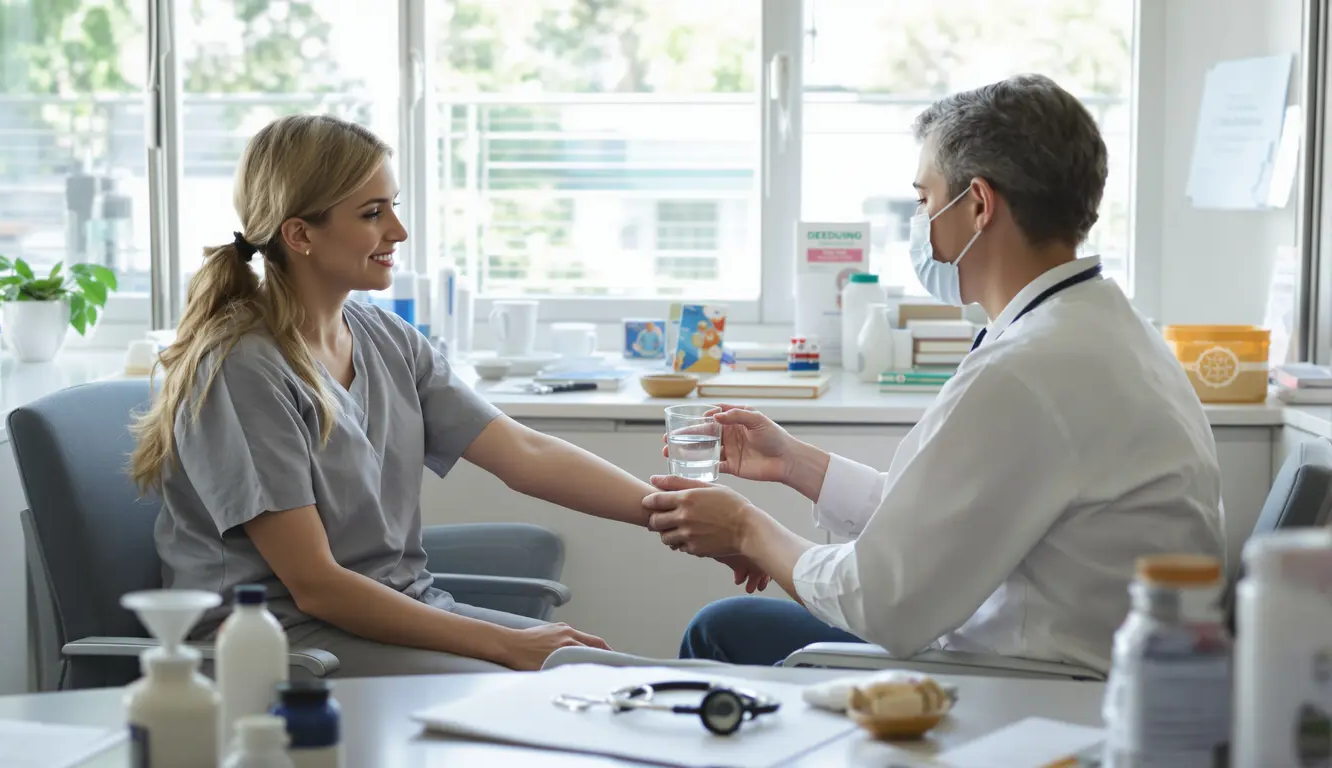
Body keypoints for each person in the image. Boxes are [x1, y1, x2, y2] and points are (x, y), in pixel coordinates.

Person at [130, 114, 767, 677]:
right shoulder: (242, 370)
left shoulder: (382, 336)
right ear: (300, 234)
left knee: (605, 676)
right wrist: (503, 644)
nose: (399, 231)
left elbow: (525, 453)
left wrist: (677, 514)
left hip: (392, 613)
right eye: (373, 213)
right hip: (279, 641)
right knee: (571, 682)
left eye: (393, 206)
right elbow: (318, 588)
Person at [644, 74, 1224, 672]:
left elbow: (882, 601)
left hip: (1030, 683)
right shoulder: (1102, 331)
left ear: (977, 204)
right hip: (1057, 652)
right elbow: (946, 522)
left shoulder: (1028, 370)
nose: (921, 222)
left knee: (719, 633)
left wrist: (744, 528)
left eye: (924, 200)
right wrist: (796, 464)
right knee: (729, 627)